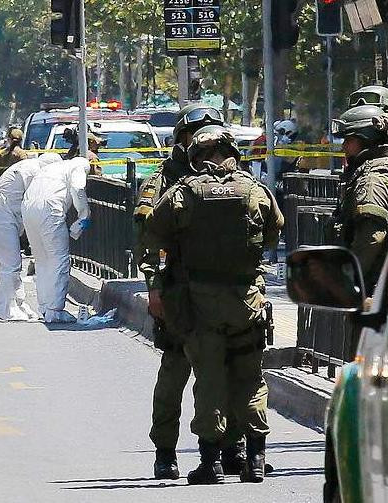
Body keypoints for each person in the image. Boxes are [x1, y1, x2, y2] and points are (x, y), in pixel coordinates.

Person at [145, 125, 283, 485]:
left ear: (195, 156)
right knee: (251, 379)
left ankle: (211, 463)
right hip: (247, 300)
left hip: (199, 302)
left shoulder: (182, 192)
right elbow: (273, 233)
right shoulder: (255, 190)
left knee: (208, 380)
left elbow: (152, 233)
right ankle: (254, 459)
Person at [134, 104, 248, 480]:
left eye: (214, 136)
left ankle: (231, 448)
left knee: (228, 375)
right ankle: (165, 451)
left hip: (225, 295)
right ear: (182, 141)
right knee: (174, 374)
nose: (206, 143)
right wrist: (154, 289)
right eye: (196, 136)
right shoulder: (163, 182)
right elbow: (148, 243)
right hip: (179, 296)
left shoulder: (234, 178)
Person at [330, 104, 388, 292]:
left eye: (349, 140)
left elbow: (372, 239)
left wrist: (346, 284)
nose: (344, 146)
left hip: (381, 291)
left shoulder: (374, 179)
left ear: (367, 140)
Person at [0, 153, 62, 321]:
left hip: (9, 215)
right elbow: (34, 199)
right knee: (10, 265)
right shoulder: (32, 170)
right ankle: (5, 308)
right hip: (2, 216)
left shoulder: (30, 167)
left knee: (16, 265)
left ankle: (18, 304)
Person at [21, 157, 91, 323]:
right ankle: (55, 311)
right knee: (58, 259)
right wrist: (84, 214)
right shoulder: (79, 166)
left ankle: (45, 306)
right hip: (49, 209)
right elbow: (78, 189)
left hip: (29, 209)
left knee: (42, 260)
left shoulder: (52, 169)